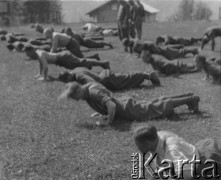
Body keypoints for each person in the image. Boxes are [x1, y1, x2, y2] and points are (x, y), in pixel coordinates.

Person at [58, 82, 200, 126]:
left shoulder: (92, 93)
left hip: (127, 109)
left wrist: (109, 121)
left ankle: (190, 99)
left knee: (158, 107)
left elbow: (111, 106)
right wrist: (102, 111)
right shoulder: (89, 88)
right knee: (155, 102)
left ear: (78, 91)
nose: (75, 100)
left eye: (73, 96)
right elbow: (107, 96)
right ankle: (186, 96)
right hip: (124, 102)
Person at [133, 124, 221, 179]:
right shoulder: (157, 137)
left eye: (138, 144)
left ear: (148, 144)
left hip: (207, 160)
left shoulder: (171, 151)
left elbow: (186, 173)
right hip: (199, 150)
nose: (137, 147)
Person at [23, 46, 110, 81]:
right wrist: (39, 74)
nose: (28, 55)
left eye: (27, 53)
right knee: (80, 63)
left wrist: (44, 78)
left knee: (81, 63)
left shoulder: (40, 54)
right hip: (62, 58)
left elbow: (45, 67)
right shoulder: (38, 52)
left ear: (31, 51)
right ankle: (101, 63)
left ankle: (103, 63)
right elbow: (41, 64)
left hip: (63, 58)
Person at [58, 67, 161, 90]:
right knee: (127, 80)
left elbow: (92, 83)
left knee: (127, 80)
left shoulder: (78, 76)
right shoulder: (75, 70)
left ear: (68, 76)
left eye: (67, 81)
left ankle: (148, 75)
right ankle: (146, 74)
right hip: (105, 76)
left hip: (106, 79)